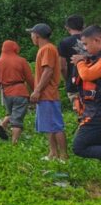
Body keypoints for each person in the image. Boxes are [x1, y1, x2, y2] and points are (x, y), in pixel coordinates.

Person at [28, 23, 68, 161]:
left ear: (37, 35)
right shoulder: (44, 49)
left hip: (48, 94)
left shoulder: (48, 49)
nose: (31, 37)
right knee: (48, 125)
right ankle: (53, 153)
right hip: (45, 95)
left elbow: (48, 70)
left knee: (56, 126)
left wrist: (37, 90)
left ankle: (63, 155)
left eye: (32, 34)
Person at [0, 40, 35, 144]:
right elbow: (29, 78)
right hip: (20, 91)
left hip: (6, 92)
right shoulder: (21, 61)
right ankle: (14, 143)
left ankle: (3, 125)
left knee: (11, 113)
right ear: (15, 48)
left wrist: (0, 91)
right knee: (17, 118)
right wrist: (36, 91)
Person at [71, 25, 101, 160]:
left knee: (79, 146)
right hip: (94, 110)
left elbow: (87, 75)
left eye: (86, 44)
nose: (85, 48)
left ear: (97, 40)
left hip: (97, 114)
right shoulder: (96, 58)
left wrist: (80, 62)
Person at [58, 15, 84, 118]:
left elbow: (62, 66)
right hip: (94, 83)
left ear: (67, 27)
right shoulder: (93, 39)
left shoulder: (64, 43)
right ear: (84, 26)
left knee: (81, 115)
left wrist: (67, 79)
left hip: (74, 83)